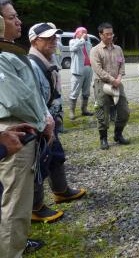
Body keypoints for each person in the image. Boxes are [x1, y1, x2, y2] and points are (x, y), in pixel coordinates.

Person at [0, 0, 53, 256]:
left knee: (18, 196)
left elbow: (31, 93)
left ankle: (16, 243)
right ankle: (11, 251)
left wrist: (45, 116)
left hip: (25, 128)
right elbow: (17, 98)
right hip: (14, 130)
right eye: (11, 17)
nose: (18, 21)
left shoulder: (10, 49)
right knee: (15, 200)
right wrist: (44, 120)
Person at [28, 23, 86, 223]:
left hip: (51, 120)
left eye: (55, 38)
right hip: (40, 124)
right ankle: (35, 207)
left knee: (56, 157)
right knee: (38, 164)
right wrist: (45, 124)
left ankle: (61, 191)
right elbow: (34, 98)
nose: (54, 41)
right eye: (48, 38)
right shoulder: (32, 65)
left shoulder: (49, 59)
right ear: (35, 41)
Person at [90, 23, 130, 150]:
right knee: (102, 112)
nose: (109, 37)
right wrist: (113, 80)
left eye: (111, 34)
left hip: (118, 83)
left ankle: (118, 134)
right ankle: (103, 138)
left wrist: (119, 77)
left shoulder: (118, 49)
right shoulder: (95, 50)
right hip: (102, 84)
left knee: (124, 111)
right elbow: (98, 69)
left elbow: (122, 64)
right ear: (100, 35)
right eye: (106, 34)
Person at [68, 27, 94, 120]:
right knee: (74, 91)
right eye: (83, 32)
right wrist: (82, 39)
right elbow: (73, 49)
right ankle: (72, 111)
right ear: (77, 33)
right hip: (78, 70)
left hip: (88, 69)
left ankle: (84, 109)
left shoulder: (88, 43)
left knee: (86, 92)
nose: (85, 34)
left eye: (86, 32)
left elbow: (92, 54)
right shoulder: (73, 41)